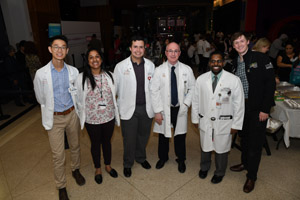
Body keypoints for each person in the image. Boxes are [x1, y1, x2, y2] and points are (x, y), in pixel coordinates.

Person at [34, 35, 85, 200]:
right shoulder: (41, 74)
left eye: (63, 47)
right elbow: (40, 98)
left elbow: (77, 94)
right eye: (56, 47)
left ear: (67, 50)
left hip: (71, 114)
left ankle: (75, 169)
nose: (59, 50)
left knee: (76, 145)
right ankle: (61, 186)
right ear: (50, 49)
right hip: (54, 117)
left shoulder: (73, 71)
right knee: (58, 155)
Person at [229, 32, 276, 193]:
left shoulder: (260, 58)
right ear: (233, 46)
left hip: (258, 109)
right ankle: (245, 163)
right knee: (244, 138)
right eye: (236, 43)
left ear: (248, 42)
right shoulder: (235, 62)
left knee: (255, 144)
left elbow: (270, 84)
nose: (239, 44)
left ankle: (252, 176)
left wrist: (265, 109)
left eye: (242, 41)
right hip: (242, 108)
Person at [191, 51, 244, 184]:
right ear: (209, 63)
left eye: (219, 61)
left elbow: (239, 104)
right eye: (213, 61)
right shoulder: (201, 79)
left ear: (223, 62)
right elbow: (195, 100)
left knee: (221, 148)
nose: (216, 64)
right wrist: (195, 119)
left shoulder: (233, 80)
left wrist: (236, 125)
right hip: (205, 118)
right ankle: (204, 167)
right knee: (205, 145)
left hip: (225, 121)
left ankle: (220, 172)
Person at [75, 48, 120, 184]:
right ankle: (98, 168)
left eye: (97, 57)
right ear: (88, 61)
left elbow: (114, 94)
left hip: (108, 117)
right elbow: (77, 98)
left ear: (101, 59)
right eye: (91, 57)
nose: (95, 60)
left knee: (107, 142)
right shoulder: (81, 78)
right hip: (91, 120)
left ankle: (107, 165)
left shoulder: (110, 76)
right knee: (95, 144)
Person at [150, 42, 195, 173]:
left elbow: (193, 88)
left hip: (180, 108)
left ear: (180, 53)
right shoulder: (159, 70)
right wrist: (157, 111)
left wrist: (186, 103)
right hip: (164, 108)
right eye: (170, 51)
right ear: (166, 53)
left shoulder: (187, 69)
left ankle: (181, 159)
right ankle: (163, 158)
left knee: (180, 135)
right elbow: (154, 91)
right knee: (163, 135)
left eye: (176, 51)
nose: (173, 54)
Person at [114, 35, 155, 178]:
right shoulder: (120, 67)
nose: (138, 50)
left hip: (146, 108)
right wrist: (117, 110)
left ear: (145, 48)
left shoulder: (150, 65)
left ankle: (141, 158)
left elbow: (154, 89)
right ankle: (127, 163)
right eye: (135, 47)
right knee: (129, 138)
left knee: (143, 136)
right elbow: (115, 90)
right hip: (128, 108)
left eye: (141, 47)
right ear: (130, 48)